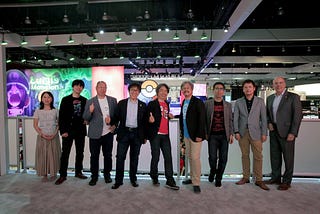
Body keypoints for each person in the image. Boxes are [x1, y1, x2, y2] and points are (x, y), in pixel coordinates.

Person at [264, 76, 302, 190]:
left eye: (280, 83)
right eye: (276, 83)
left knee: (288, 158)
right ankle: (276, 178)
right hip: (273, 131)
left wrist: (293, 132)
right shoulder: (270, 98)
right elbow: (267, 114)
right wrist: (269, 122)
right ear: (273, 85)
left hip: (287, 132)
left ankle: (286, 181)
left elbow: (297, 116)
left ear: (285, 84)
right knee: (274, 157)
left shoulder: (293, 97)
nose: (278, 85)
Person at [233, 79, 269, 191]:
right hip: (243, 133)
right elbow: (236, 118)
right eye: (245, 87)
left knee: (258, 156)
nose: (248, 89)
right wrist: (236, 131)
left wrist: (264, 133)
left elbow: (264, 118)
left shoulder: (260, 101)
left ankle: (258, 179)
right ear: (243, 90)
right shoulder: (238, 102)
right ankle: (245, 177)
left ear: (254, 88)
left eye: (250, 87)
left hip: (257, 133)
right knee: (245, 155)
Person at [111, 83, 147, 189]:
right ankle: (118, 181)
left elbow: (144, 122)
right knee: (120, 157)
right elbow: (116, 117)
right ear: (129, 91)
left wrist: (144, 136)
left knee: (134, 158)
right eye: (132, 90)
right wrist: (111, 123)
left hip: (137, 134)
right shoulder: (121, 103)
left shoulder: (143, 105)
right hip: (124, 133)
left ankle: (133, 179)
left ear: (139, 92)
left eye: (136, 90)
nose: (134, 92)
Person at [83, 81, 118, 186]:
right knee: (94, 156)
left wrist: (113, 125)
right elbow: (85, 118)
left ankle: (107, 175)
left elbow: (117, 117)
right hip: (94, 133)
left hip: (108, 133)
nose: (102, 89)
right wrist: (90, 111)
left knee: (108, 155)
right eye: (100, 87)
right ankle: (94, 176)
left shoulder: (112, 100)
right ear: (96, 88)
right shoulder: (90, 101)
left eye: (104, 87)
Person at [146, 83, 179, 190]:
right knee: (156, 157)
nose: (164, 92)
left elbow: (163, 117)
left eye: (165, 91)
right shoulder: (152, 104)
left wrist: (168, 116)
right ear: (157, 92)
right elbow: (146, 117)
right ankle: (154, 177)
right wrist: (149, 119)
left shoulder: (166, 103)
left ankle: (170, 180)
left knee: (168, 157)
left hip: (165, 135)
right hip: (155, 135)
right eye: (161, 90)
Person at [55, 79, 88, 185]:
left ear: (82, 88)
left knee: (80, 153)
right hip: (68, 131)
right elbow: (62, 117)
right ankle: (62, 175)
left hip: (80, 131)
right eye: (77, 86)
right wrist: (63, 131)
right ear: (73, 87)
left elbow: (87, 115)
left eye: (81, 86)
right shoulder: (65, 100)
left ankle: (78, 172)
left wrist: (87, 120)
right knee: (65, 153)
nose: (79, 88)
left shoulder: (85, 100)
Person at [204, 82, 233, 187]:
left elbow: (230, 120)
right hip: (212, 136)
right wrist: (205, 133)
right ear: (213, 90)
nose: (219, 90)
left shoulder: (228, 105)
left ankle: (219, 177)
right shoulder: (207, 104)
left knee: (223, 158)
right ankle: (213, 171)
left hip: (224, 135)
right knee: (212, 157)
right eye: (217, 88)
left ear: (224, 91)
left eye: (221, 89)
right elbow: (204, 120)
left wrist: (231, 134)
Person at [180, 81, 206, 194]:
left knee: (195, 158)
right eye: (184, 88)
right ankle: (192, 177)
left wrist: (200, 135)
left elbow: (202, 119)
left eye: (188, 88)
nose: (186, 90)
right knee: (190, 157)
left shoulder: (198, 102)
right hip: (186, 134)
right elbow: (185, 117)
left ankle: (196, 182)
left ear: (192, 89)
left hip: (196, 135)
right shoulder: (184, 102)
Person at [33, 91, 61, 182]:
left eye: (49, 97)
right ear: (42, 99)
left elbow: (58, 124)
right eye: (44, 97)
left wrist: (54, 133)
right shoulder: (38, 111)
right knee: (43, 155)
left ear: (52, 99)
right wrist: (42, 134)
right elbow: (35, 125)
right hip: (42, 137)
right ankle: (44, 173)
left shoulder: (55, 110)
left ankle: (53, 173)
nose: (47, 99)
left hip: (54, 136)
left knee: (53, 155)